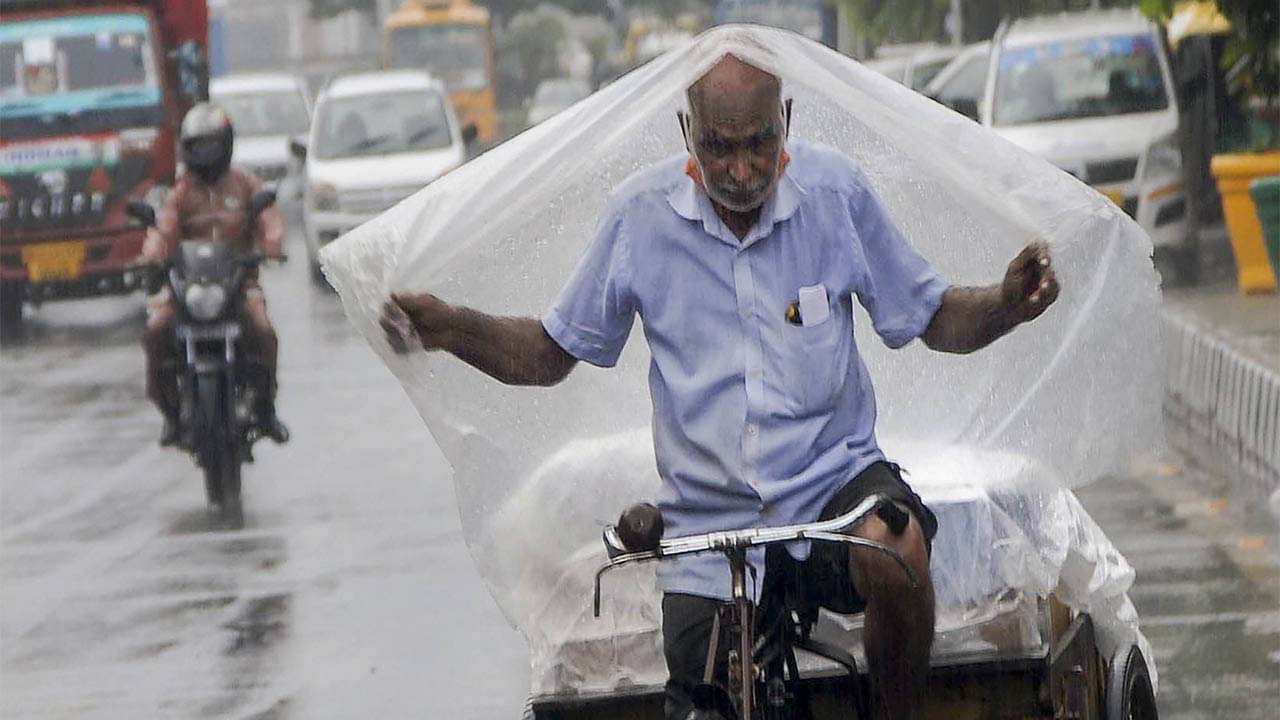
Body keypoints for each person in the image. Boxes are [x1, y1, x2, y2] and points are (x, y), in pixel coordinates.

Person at [382, 55, 1059, 719]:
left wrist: (1005, 302)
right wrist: (450, 328)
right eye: (719, 147)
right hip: (709, 524)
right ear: (687, 133)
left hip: (832, 488)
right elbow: (549, 353)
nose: (741, 171)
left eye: (760, 143)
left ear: (785, 120)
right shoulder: (638, 219)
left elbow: (932, 314)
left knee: (897, 546)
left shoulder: (836, 197)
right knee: (707, 692)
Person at [139, 102, 289, 446]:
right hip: (188, 286)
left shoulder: (245, 183)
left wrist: (271, 245)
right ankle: (171, 414)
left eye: (212, 144)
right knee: (156, 331)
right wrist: (152, 256)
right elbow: (163, 229)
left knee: (264, 331)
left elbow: (269, 218)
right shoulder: (178, 192)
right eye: (198, 145)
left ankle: (266, 408)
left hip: (238, 283)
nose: (206, 153)